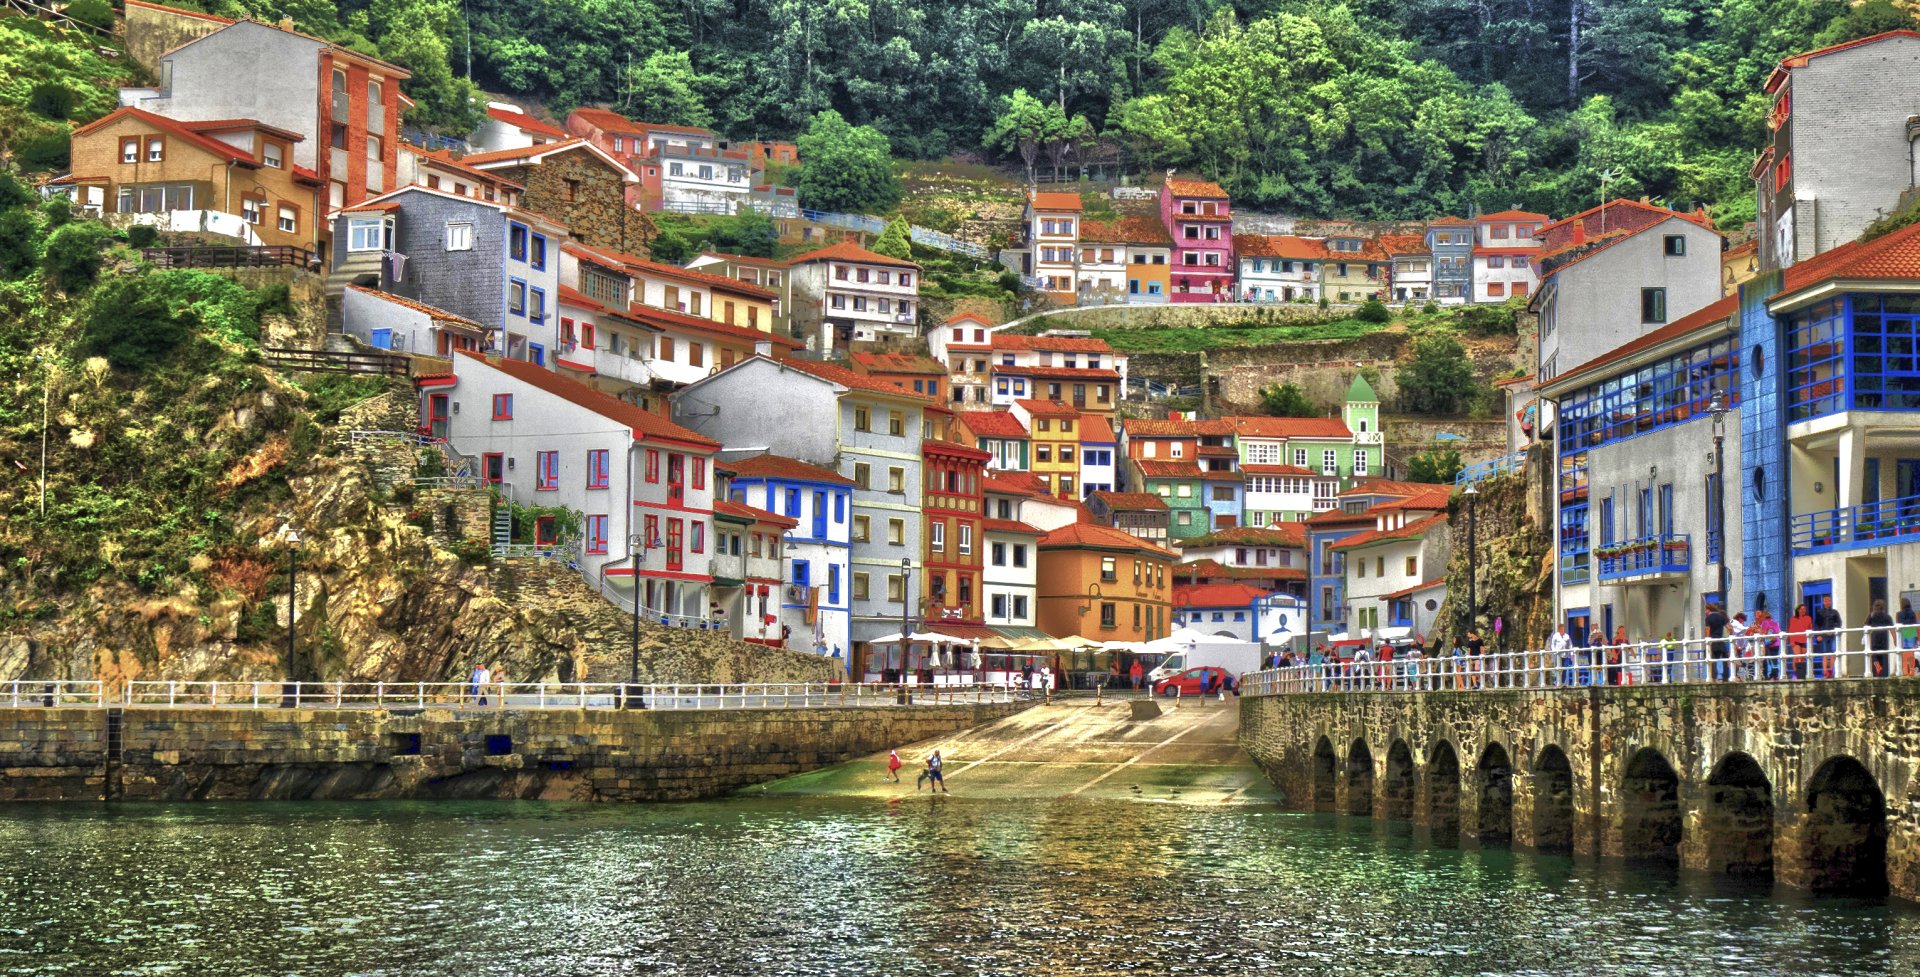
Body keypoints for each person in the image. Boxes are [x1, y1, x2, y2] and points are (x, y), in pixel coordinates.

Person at [1813, 596, 1842, 679]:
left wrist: (1833, 631)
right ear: (1823, 602)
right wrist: (1818, 635)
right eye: (1826, 601)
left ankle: (1830, 670)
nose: (1827, 602)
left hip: (1832, 635)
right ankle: (1825, 672)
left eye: (1829, 600)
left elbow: (1839, 623)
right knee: (1825, 654)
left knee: (1833, 653)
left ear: (1831, 601)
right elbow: (1817, 625)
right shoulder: (1819, 612)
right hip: (1823, 635)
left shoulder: (1835, 612)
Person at [1750, 609, 1783, 680]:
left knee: (1770, 660)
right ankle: (1775, 674)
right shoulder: (1775, 622)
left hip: (1769, 644)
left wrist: (1757, 631)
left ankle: (1773, 674)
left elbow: (1763, 633)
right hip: (1777, 643)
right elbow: (1779, 632)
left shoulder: (1765, 623)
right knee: (1775, 659)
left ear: (1764, 617)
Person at [1867, 598, 1895, 678]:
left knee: (1874, 656)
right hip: (1883, 639)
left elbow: (1865, 625)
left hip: (1875, 638)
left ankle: (1877, 670)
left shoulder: (1872, 616)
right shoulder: (1887, 617)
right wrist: (1895, 639)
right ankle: (1879, 674)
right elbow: (1892, 629)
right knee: (1881, 656)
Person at [1704, 603, 1731, 682]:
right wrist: (1731, 637)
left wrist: (1707, 640)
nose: (1705, 612)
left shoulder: (1708, 618)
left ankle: (1713, 678)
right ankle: (1725, 677)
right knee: (1725, 658)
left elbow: (1708, 630)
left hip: (1713, 640)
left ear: (1709, 610)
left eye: (1705, 610)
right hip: (1720, 640)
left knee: (1713, 660)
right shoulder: (1722, 616)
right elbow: (1729, 628)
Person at [1787, 603, 1814, 680]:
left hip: (1805, 640)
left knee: (1803, 658)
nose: (1803, 611)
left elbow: (1810, 629)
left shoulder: (1808, 618)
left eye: (1804, 609)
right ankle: (1795, 673)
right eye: (1801, 609)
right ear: (1798, 610)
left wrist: (1811, 640)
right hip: (1796, 640)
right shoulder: (1793, 619)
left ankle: (1803, 673)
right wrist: (1791, 641)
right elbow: (1791, 630)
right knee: (1797, 656)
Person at [1899, 598, 1919, 677]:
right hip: (1912, 633)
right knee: (1911, 653)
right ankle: (1911, 671)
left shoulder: (1900, 614)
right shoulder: (1913, 613)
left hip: (1904, 633)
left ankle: (1905, 671)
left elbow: (1900, 624)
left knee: (1904, 654)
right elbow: (1915, 623)